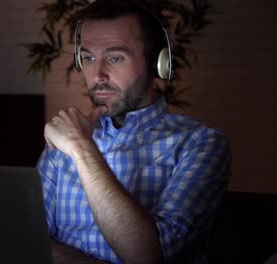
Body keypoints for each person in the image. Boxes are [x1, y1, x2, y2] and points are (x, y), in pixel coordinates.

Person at [36, 0, 231, 263]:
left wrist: (82, 149)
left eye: (115, 57)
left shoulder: (200, 143)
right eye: (88, 58)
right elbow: (26, 239)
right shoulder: (65, 141)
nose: (98, 74)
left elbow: (147, 256)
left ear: (157, 63)